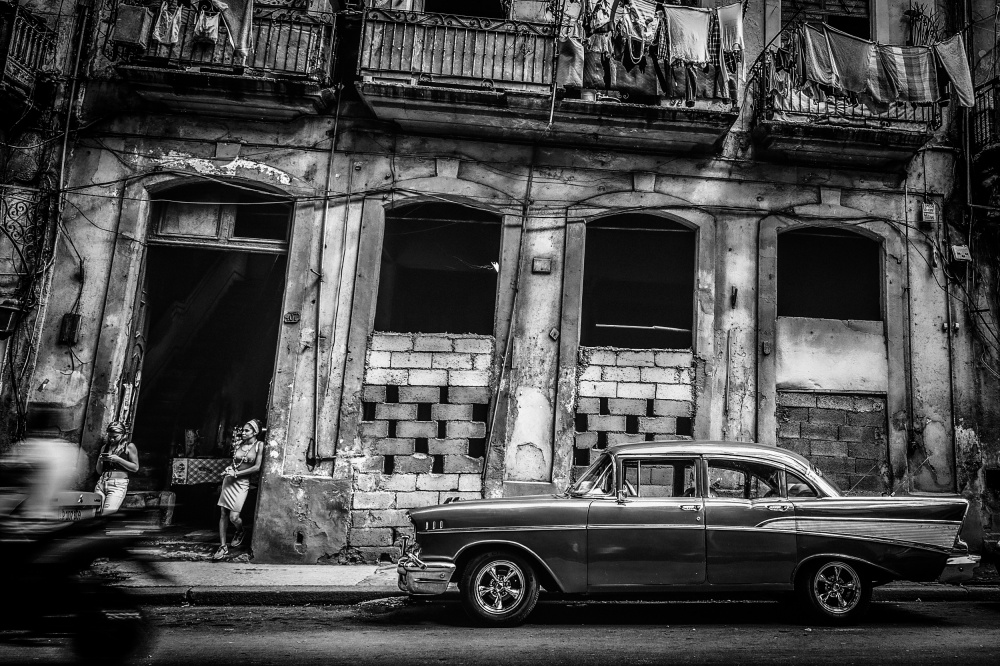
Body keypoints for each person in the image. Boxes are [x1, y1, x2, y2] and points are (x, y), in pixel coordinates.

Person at [212, 419, 263, 561]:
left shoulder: (259, 445)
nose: (243, 432)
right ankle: (223, 547)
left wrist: (237, 474)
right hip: (229, 481)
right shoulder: (238, 444)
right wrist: (229, 469)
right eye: (243, 430)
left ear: (255, 432)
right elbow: (235, 463)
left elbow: (256, 467)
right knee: (223, 513)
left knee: (234, 516)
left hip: (242, 483)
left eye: (247, 430)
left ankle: (240, 531)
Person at [94, 422, 139, 516]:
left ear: (123, 435)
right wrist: (100, 460)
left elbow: (135, 467)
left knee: (107, 513)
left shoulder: (129, 447)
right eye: (109, 436)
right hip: (102, 482)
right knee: (95, 513)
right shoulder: (105, 447)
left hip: (117, 484)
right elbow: (99, 471)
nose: (111, 439)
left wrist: (118, 460)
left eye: (115, 436)